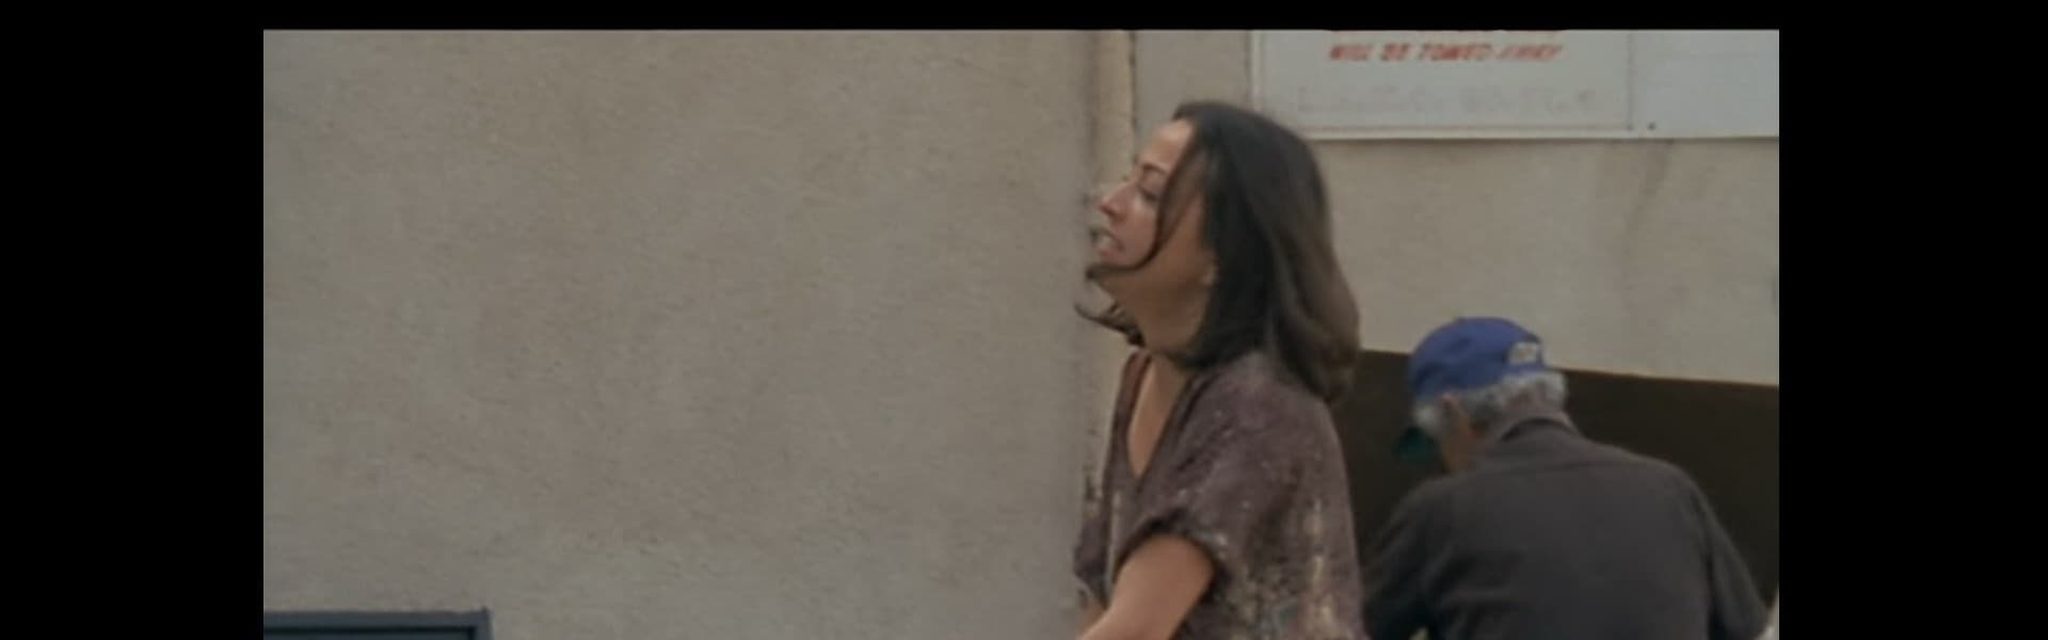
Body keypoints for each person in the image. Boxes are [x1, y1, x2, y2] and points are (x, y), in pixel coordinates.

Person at [1069, 101, 1367, 640]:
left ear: (1222, 256)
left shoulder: (1259, 404)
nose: (1111, 204)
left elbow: (1135, 628)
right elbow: (1102, 597)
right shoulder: (1142, 376)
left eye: (1150, 194)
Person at [1363, 317, 1768, 640]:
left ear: (1455, 414)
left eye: (1436, 443)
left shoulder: (1441, 510)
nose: (1445, 462)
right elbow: (1749, 631)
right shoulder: (1671, 489)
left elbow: (1351, 629)